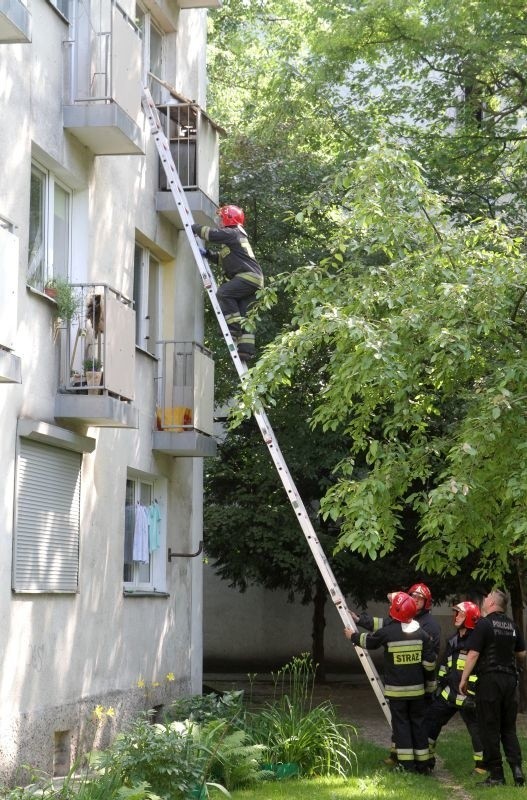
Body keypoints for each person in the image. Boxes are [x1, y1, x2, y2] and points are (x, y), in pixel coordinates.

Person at [345, 591, 436, 773]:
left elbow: (369, 641)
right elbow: (429, 664)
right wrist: (430, 690)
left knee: (401, 726)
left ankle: (406, 766)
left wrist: (352, 636)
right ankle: (423, 765)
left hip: (397, 693)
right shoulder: (423, 635)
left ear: (395, 610)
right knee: (418, 725)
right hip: (418, 693)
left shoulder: (388, 632)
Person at [459, 589, 526, 787]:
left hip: (489, 682)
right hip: (510, 681)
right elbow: (522, 653)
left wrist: (464, 679)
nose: (485, 599)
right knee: (508, 728)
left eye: (487, 597)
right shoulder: (513, 625)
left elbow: (473, 654)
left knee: (489, 728)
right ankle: (517, 769)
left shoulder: (484, 624)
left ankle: (496, 775)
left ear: (493, 604)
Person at [192, 205, 264, 362]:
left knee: (224, 293)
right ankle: (246, 350)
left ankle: (233, 328)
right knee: (245, 315)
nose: (219, 221)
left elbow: (211, 234)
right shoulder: (235, 239)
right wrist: (208, 254)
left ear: (228, 218)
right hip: (253, 279)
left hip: (248, 277)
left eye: (221, 218)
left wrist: (194, 227)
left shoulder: (232, 233)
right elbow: (224, 259)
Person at [426, 601, 484, 773]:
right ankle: (426, 760)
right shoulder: (453, 639)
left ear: (470, 618)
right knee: (431, 720)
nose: (456, 616)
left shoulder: (478, 641)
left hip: (469, 694)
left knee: (476, 729)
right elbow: (444, 665)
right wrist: (439, 685)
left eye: (460, 613)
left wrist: (474, 691)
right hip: (449, 693)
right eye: (455, 613)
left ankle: (482, 766)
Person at [352, 582, 441, 659]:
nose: (416, 600)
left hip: (416, 671)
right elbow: (383, 623)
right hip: (397, 669)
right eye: (413, 596)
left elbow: (430, 654)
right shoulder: (404, 615)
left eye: (420, 598)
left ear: (426, 602)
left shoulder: (431, 624)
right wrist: (359, 619)